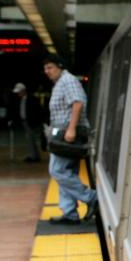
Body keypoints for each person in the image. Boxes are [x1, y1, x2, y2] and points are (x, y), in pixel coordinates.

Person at [43, 55, 97, 224]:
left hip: (68, 132)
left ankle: (92, 198)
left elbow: (78, 103)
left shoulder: (68, 80)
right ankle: (70, 213)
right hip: (63, 132)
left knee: (57, 170)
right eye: (45, 69)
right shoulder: (60, 83)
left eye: (50, 67)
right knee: (67, 171)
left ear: (60, 66)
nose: (47, 72)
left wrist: (72, 128)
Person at [10, 82, 42, 163]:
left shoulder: (32, 99)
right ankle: (35, 155)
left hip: (31, 122)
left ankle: (32, 156)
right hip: (24, 121)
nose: (18, 94)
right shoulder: (19, 100)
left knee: (30, 138)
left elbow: (38, 111)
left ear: (23, 91)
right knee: (30, 139)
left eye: (19, 92)